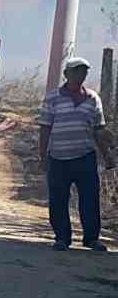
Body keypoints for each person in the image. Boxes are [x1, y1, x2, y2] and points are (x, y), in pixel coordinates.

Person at [38, 57, 109, 251]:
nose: (81, 75)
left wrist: (107, 156)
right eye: (77, 71)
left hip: (85, 157)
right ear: (67, 74)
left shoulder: (93, 98)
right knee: (59, 198)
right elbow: (45, 128)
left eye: (84, 71)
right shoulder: (52, 98)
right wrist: (42, 156)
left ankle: (91, 238)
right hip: (58, 157)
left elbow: (99, 130)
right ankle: (62, 238)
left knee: (89, 198)